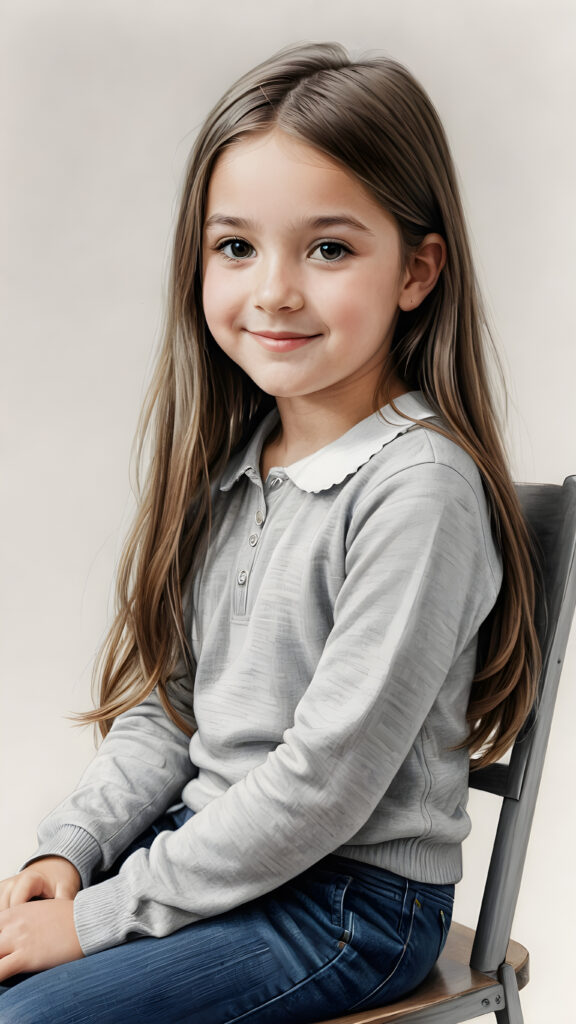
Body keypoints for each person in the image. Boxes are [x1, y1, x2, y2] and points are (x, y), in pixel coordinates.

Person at [0, 41, 540, 1023]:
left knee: (33, 1019)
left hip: (348, 904)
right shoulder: (239, 470)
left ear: (417, 270)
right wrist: (69, 850)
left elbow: (322, 788)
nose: (275, 290)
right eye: (236, 246)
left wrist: (105, 916)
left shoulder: (420, 492)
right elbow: (172, 711)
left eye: (328, 248)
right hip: (218, 857)